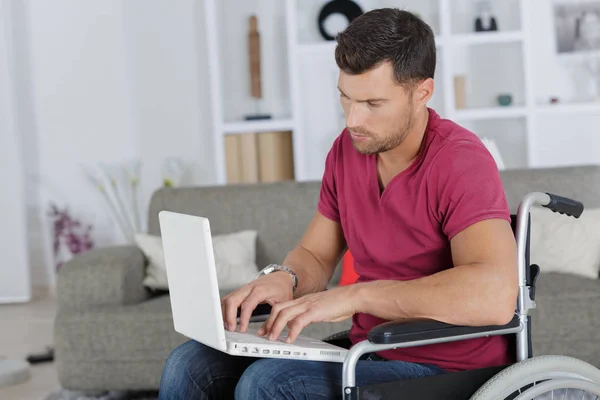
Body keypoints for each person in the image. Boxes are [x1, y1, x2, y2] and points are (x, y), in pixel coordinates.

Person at [158, 7, 518, 400]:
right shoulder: (347, 152)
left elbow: (494, 296)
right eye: (346, 98)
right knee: (190, 364)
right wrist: (284, 279)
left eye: (373, 104)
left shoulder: (459, 160)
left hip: (447, 369)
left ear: (422, 93)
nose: (353, 120)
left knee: (267, 384)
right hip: (367, 354)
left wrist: (355, 296)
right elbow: (315, 254)